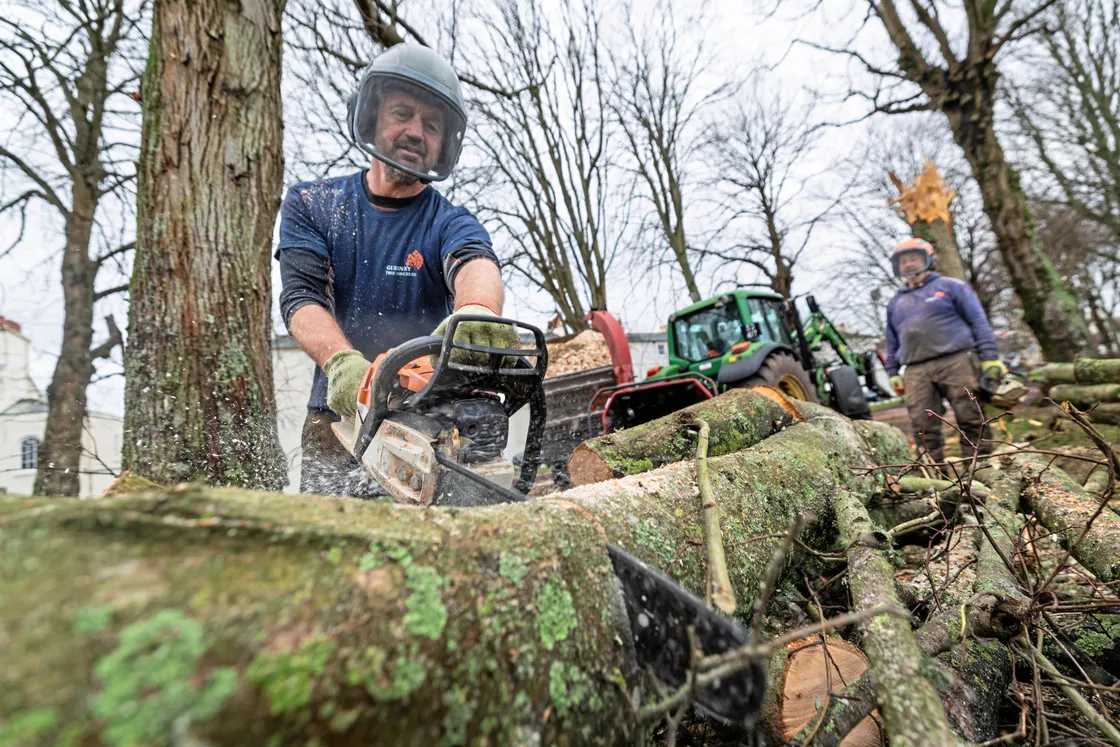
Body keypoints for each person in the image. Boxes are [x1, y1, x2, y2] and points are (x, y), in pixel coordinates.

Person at [276, 45, 518, 496]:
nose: (415, 132)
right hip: (340, 415)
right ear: (372, 118)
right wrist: (343, 364)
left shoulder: (448, 221)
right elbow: (300, 298)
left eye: (431, 125)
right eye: (402, 114)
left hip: (429, 417)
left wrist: (479, 311)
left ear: (444, 144)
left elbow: (475, 262)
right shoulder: (315, 205)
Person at [884, 238, 1007, 468]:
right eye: (903, 261)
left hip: (957, 360)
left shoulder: (952, 287)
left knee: (971, 415)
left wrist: (990, 357)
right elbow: (892, 340)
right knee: (922, 424)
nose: (908, 264)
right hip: (916, 369)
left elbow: (978, 322)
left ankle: (979, 470)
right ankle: (936, 477)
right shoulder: (895, 303)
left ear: (928, 259)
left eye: (914, 258)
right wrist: (892, 371)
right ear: (897, 267)